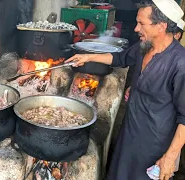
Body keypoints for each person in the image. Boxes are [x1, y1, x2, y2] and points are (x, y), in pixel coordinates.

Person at [65, 0, 185, 179]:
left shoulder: (179, 63)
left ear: (161, 26)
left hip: (154, 145)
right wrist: (87, 57)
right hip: (129, 133)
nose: (136, 29)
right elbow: (118, 58)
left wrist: (170, 157)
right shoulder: (144, 48)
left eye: (141, 24)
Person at [125, 19, 185, 102]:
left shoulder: (180, 62)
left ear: (177, 35)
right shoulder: (147, 47)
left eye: (169, 34)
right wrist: (134, 86)